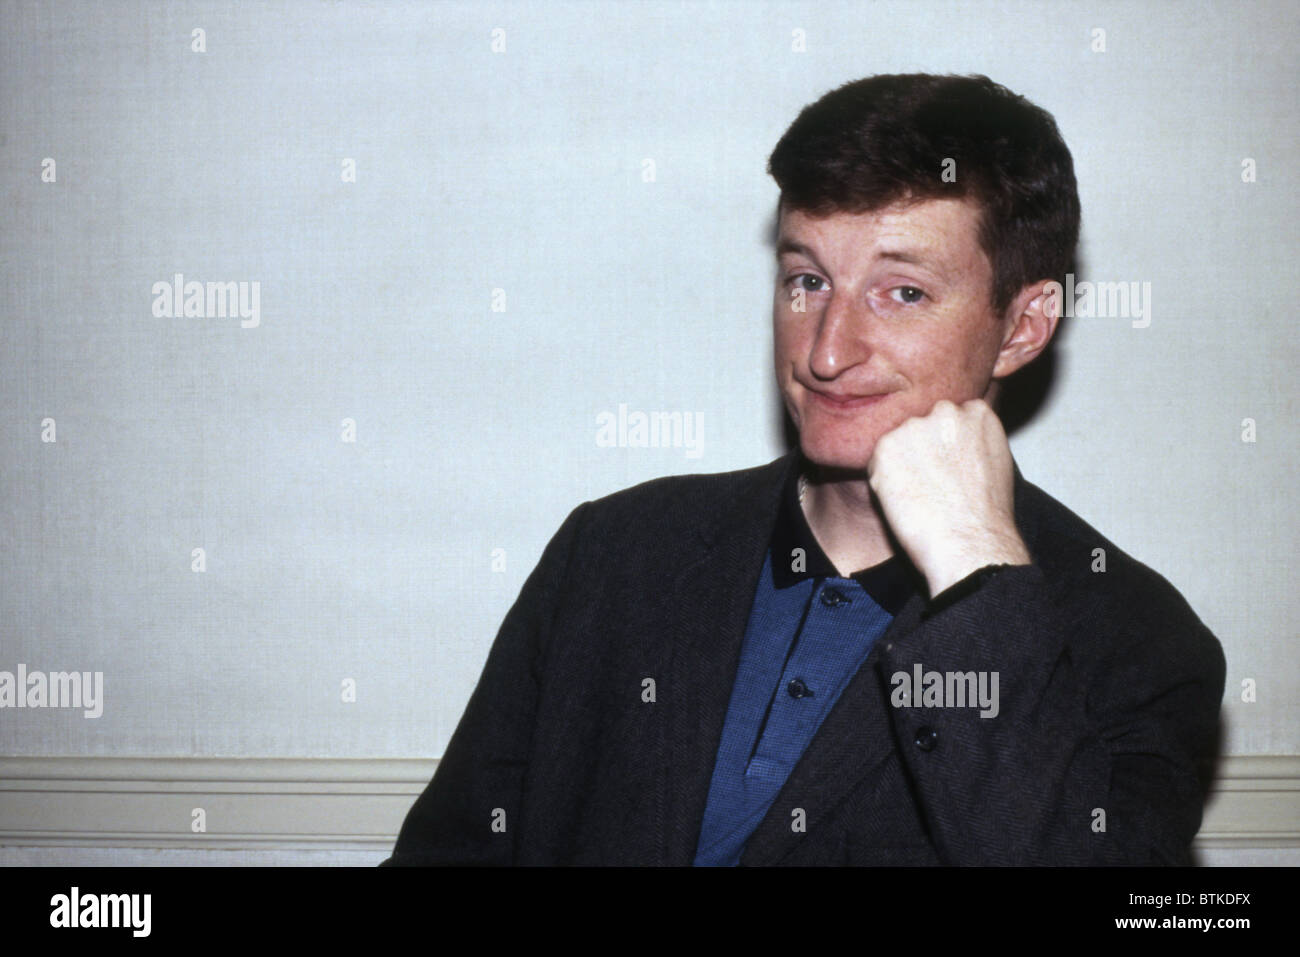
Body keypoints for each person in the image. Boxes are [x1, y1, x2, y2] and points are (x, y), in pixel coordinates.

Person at [383, 73, 1226, 866]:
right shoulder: (612, 554)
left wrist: (976, 569)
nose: (826, 350)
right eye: (807, 279)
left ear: (1024, 325)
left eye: (903, 293)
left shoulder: (1135, 640)